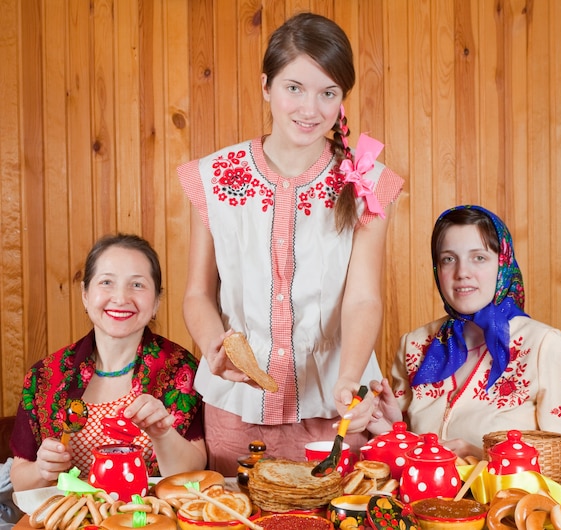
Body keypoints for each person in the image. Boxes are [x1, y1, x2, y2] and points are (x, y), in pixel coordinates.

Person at [177, 12, 404, 474]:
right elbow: (198, 293)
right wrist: (214, 349)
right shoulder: (216, 177)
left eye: (328, 93)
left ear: (342, 99)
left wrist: (349, 381)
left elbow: (362, 298)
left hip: (333, 408)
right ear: (266, 87)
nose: (310, 108)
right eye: (294, 87)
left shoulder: (366, 182)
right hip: (236, 407)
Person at [367, 205, 561, 489]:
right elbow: (414, 462)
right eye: (449, 259)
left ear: (503, 264)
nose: (462, 272)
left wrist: (478, 455)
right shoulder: (415, 344)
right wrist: (391, 430)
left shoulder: (542, 345)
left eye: (479, 258)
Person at [10, 234, 207, 491]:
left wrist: (163, 435)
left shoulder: (181, 369)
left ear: (157, 301)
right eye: (106, 282)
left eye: (137, 285)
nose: (121, 298)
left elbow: (193, 474)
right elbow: (20, 480)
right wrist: (40, 469)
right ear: (85, 294)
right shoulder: (45, 375)